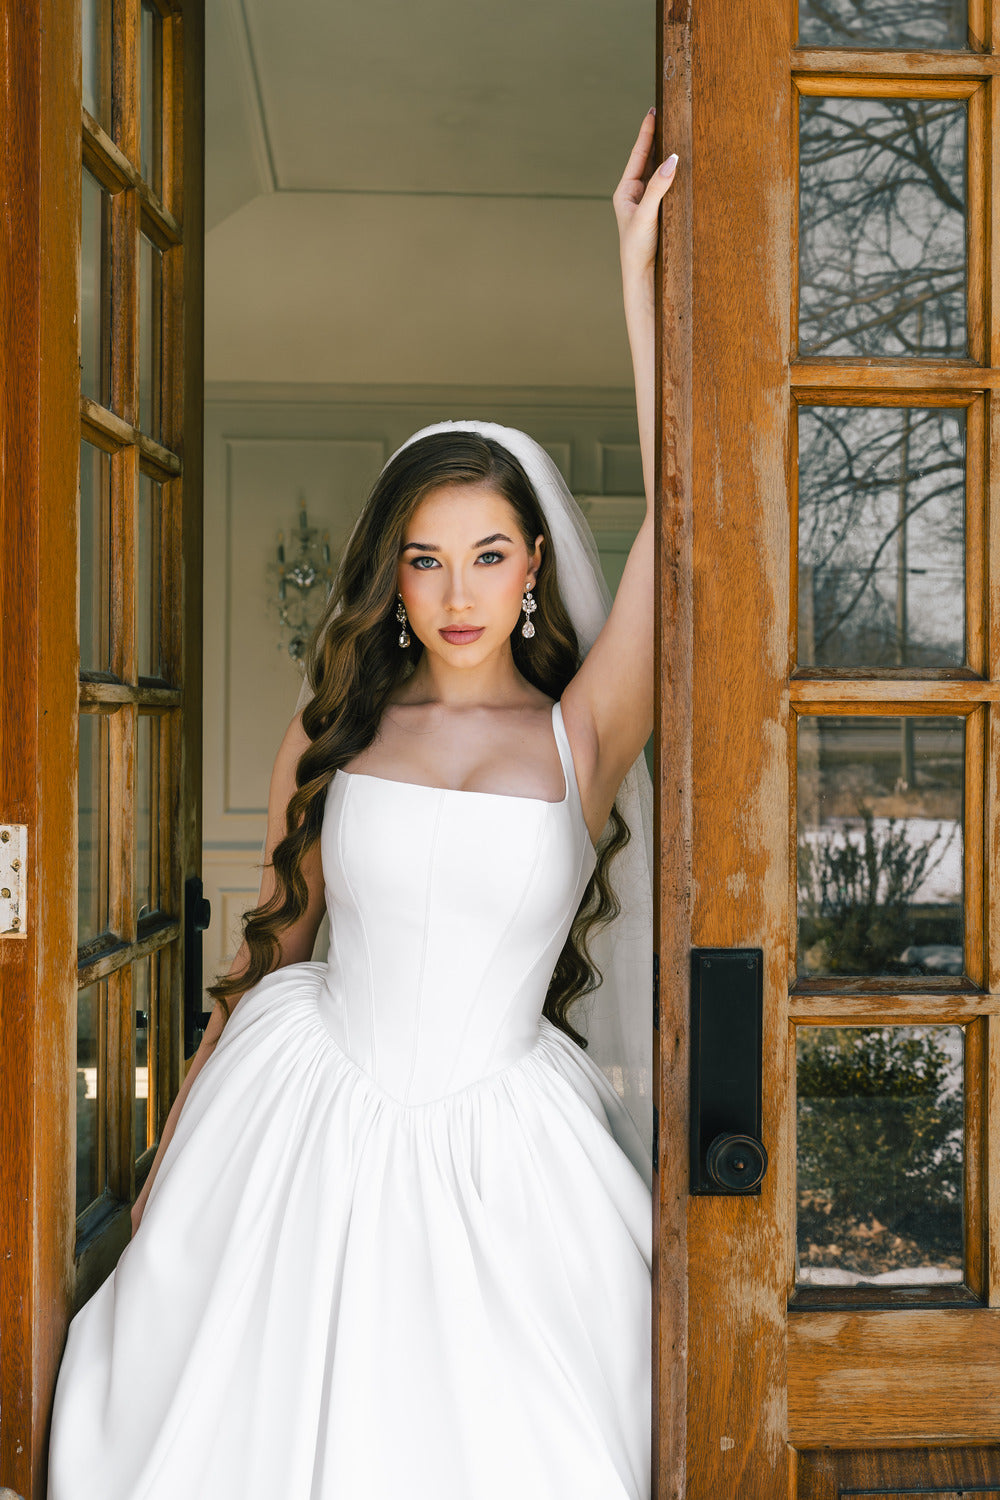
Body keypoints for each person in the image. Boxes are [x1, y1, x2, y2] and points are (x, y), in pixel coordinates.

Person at [47, 113, 677, 1500]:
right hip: (297, 1117)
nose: (458, 594)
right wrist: (165, 1163)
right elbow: (274, 947)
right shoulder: (335, 726)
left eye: (489, 557)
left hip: (507, 1149)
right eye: (426, 561)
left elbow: (689, 527)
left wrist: (641, 276)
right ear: (394, 580)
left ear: (531, 574)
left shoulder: (585, 738)